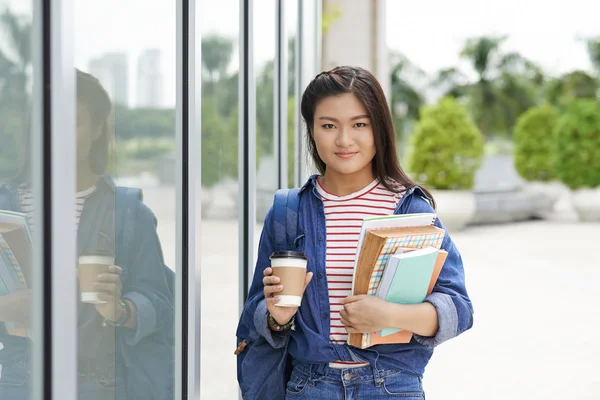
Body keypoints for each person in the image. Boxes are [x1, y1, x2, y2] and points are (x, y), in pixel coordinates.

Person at [237, 66, 474, 399]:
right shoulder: (288, 212)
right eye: (328, 125)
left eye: (359, 124)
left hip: (392, 387)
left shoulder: (410, 209)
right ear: (312, 131)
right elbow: (255, 313)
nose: (344, 139)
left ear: (379, 129)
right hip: (309, 387)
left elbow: (459, 309)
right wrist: (277, 318)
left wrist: (390, 315)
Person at [0, 69, 174, 399]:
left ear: (96, 130)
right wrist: (7, 307)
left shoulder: (127, 212)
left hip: (99, 383)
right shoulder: (5, 206)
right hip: (18, 383)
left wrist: (119, 309)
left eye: (72, 123)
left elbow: (160, 303)